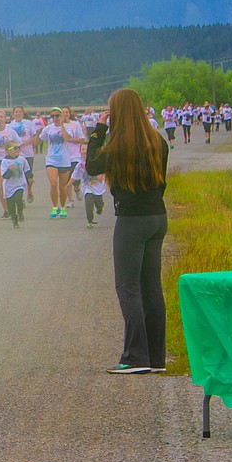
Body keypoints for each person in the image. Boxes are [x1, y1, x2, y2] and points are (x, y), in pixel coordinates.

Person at [85, 88, 169, 375]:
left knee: (128, 286)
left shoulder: (117, 144)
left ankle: (135, 357)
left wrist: (99, 129)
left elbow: (92, 165)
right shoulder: (158, 141)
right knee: (151, 287)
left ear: (116, 112)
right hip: (157, 217)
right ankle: (156, 357)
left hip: (132, 220)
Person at [72, 143, 107, 228]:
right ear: (80, 151)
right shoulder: (80, 164)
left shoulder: (96, 160)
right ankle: (90, 221)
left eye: (87, 149)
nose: (85, 151)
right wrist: (68, 184)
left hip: (97, 187)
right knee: (89, 202)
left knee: (99, 203)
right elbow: (75, 175)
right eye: (83, 149)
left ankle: (100, 207)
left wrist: (101, 175)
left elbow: (104, 168)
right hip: (87, 186)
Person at [0, 142, 29, 228]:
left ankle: (20, 212)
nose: (17, 150)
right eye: (14, 148)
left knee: (18, 199)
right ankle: (14, 219)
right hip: (9, 187)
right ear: (7, 151)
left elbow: (27, 170)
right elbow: (5, 176)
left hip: (20, 184)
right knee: (10, 206)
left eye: (18, 148)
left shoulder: (22, 159)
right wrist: (10, 170)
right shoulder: (5, 162)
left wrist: (30, 179)